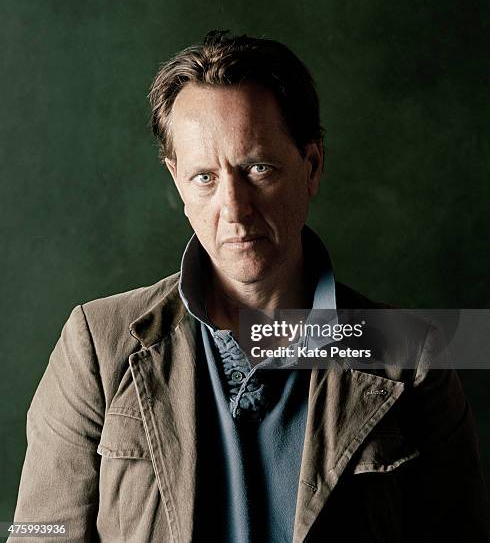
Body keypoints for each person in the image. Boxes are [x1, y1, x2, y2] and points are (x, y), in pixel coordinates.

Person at [11, 31, 489, 542]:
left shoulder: (411, 357)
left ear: (312, 167)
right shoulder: (96, 345)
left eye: (258, 169)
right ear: (177, 181)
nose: (235, 210)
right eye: (205, 177)